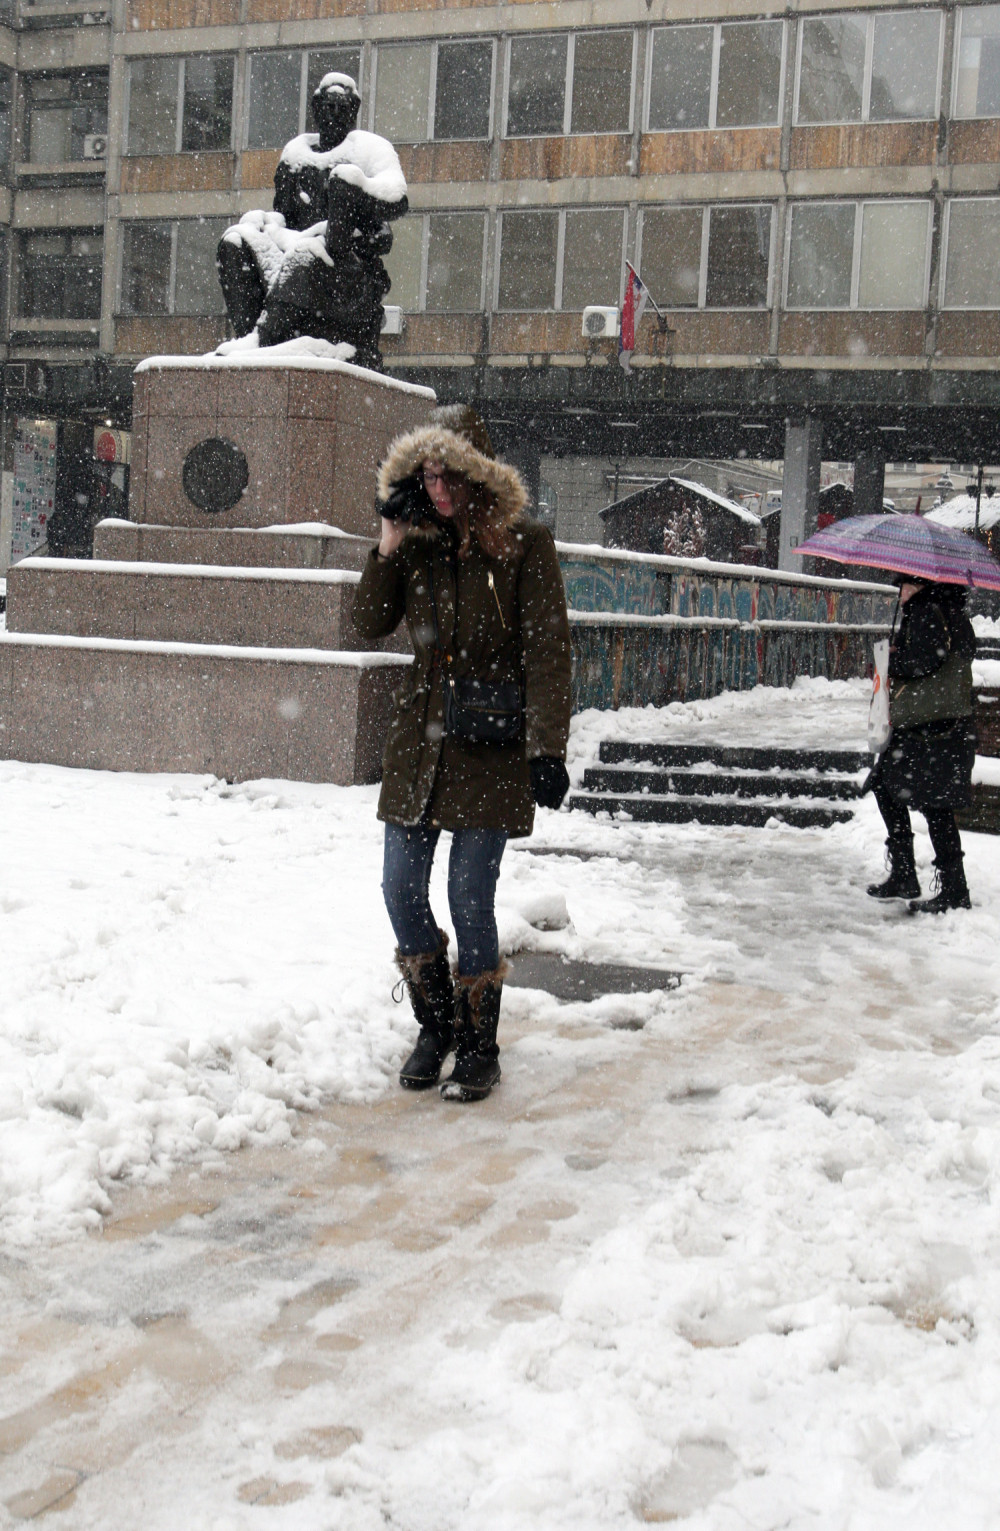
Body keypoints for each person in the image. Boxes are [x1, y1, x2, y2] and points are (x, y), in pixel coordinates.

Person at [352, 406, 573, 1101]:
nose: (438, 489)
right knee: (399, 889)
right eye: (427, 476)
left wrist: (547, 747)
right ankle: (437, 1024)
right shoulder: (415, 544)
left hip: (491, 746)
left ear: (477, 475)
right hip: (420, 747)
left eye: (449, 475)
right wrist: (389, 540)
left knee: (469, 896)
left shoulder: (524, 544)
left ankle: (479, 1044)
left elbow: (548, 651)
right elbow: (369, 621)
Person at [216, 73, 407, 368]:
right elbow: (283, 215)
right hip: (293, 264)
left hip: (345, 274)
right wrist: (265, 223)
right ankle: (250, 340)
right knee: (236, 240)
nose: (334, 114)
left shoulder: (368, 149)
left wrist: (357, 189)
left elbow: (396, 198)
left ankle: (264, 339)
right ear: (316, 108)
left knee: (306, 252)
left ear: (353, 111)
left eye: (342, 108)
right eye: (329, 107)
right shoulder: (295, 156)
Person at [866, 574, 977, 914]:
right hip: (943, 726)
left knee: (923, 800)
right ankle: (919, 877)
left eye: (903, 585)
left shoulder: (927, 610)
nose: (900, 592)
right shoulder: (951, 610)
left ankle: (947, 887)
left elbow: (926, 661)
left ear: (920, 585)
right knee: (904, 792)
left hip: (927, 728)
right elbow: (952, 655)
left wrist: (891, 661)